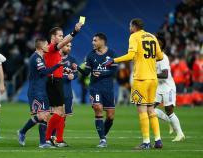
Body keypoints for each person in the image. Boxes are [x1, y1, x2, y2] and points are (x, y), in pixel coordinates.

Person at [103, 18, 164, 149]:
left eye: (130, 26)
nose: (129, 28)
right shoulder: (152, 37)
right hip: (153, 79)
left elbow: (130, 55)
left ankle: (146, 142)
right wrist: (147, 59)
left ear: (134, 26)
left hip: (141, 79)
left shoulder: (134, 37)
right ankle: (158, 140)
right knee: (151, 110)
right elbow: (160, 56)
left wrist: (114, 60)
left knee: (142, 110)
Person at [73, 33, 118, 148]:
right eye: (93, 40)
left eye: (95, 40)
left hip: (108, 88)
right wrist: (77, 68)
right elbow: (87, 72)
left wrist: (102, 73)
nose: (93, 42)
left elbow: (114, 71)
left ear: (102, 41)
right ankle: (102, 139)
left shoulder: (112, 54)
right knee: (98, 108)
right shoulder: (90, 55)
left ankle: (103, 135)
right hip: (95, 87)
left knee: (110, 116)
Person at [18, 38, 63, 148]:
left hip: (42, 90)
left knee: (44, 115)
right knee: (42, 116)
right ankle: (28, 135)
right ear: (41, 46)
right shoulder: (36, 58)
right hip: (35, 91)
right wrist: (58, 65)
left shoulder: (40, 57)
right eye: (47, 45)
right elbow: (44, 72)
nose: (48, 46)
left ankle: (36, 139)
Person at [44, 22, 83, 147]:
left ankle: (59, 140)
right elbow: (64, 42)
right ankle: (47, 138)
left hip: (57, 80)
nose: (61, 38)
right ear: (53, 37)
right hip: (53, 81)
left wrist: (65, 70)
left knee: (61, 112)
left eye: (62, 35)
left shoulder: (53, 50)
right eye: (59, 36)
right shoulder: (51, 47)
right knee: (59, 111)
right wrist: (74, 32)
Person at [154, 35, 185, 142]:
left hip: (168, 87)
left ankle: (180, 134)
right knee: (149, 109)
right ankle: (169, 121)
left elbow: (165, 74)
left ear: (162, 45)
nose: (155, 44)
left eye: (158, 42)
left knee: (169, 111)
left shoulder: (163, 57)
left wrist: (152, 74)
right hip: (158, 87)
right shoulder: (152, 57)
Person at [51, 42, 78, 146]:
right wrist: (67, 77)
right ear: (62, 46)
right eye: (67, 45)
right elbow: (52, 74)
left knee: (64, 116)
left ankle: (58, 138)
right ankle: (50, 137)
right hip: (55, 91)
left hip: (67, 92)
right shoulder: (54, 58)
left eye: (71, 46)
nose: (69, 48)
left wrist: (73, 76)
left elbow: (76, 74)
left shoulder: (72, 60)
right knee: (54, 115)